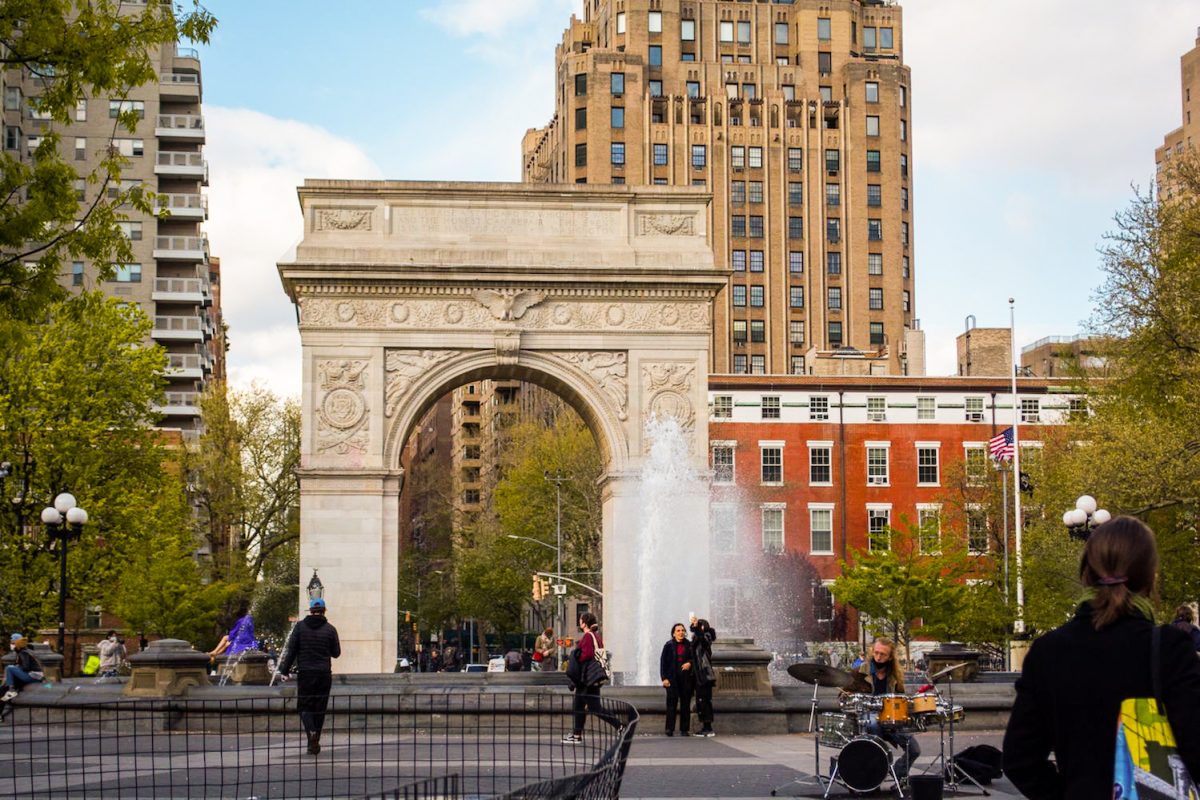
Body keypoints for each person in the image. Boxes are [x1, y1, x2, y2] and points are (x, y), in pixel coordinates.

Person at [1003, 516, 1200, 797]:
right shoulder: (1169, 648)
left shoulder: (1048, 651)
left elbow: (1019, 758)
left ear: (1086, 574)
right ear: (1150, 577)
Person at [276, 598, 341, 756]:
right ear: (324, 610)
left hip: (305, 673)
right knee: (320, 708)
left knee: (304, 706)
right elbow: (336, 653)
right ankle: (314, 741)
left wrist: (284, 671)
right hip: (324, 674)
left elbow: (291, 651)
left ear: (310, 611)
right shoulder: (330, 629)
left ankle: (311, 733)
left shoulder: (299, 628)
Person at [855, 637, 920, 781]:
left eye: (882, 654)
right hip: (868, 716)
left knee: (914, 749)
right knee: (873, 724)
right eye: (876, 652)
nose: (878, 657)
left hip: (890, 718)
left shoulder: (895, 676)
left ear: (890, 657)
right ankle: (876, 774)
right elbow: (844, 695)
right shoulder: (860, 671)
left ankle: (898, 774)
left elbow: (901, 698)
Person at [562, 612, 616, 744]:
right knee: (579, 705)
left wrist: (575, 657)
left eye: (580, 620)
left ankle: (620, 726)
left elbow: (587, 655)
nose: (579, 622)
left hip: (587, 678)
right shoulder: (596, 636)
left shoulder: (587, 636)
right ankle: (576, 735)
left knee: (595, 707)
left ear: (584, 623)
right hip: (591, 677)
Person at [659, 622, 695, 737]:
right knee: (671, 705)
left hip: (686, 679)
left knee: (685, 704)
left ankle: (684, 729)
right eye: (678, 631)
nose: (681, 632)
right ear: (674, 634)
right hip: (672, 679)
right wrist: (664, 678)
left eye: (683, 630)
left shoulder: (689, 645)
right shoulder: (668, 645)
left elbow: (695, 659)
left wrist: (689, 663)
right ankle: (669, 729)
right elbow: (663, 662)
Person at [690, 616, 717, 737]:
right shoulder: (698, 638)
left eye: (700, 626)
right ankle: (706, 727)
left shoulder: (706, 636)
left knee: (704, 700)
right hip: (699, 675)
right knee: (701, 701)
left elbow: (703, 640)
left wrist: (696, 628)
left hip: (704, 675)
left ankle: (708, 728)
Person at [1, 634, 44, 707]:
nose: (11, 645)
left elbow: (26, 667)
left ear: (18, 643)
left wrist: (16, 667)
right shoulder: (26, 651)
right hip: (37, 676)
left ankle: (11, 690)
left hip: (33, 676)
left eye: (13, 643)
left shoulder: (23, 653)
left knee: (9, 668)